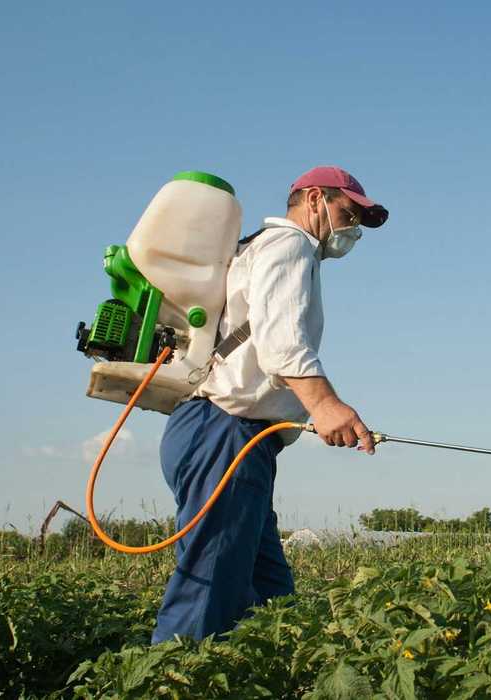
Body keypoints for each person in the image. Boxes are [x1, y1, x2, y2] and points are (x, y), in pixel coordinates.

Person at [151, 165, 388, 643]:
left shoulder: (265, 248)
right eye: (348, 212)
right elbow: (281, 341)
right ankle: (170, 679)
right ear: (315, 198)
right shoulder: (291, 244)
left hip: (233, 437)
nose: (352, 228)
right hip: (225, 432)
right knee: (208, 595)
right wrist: (325, 406)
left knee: (271, 599)